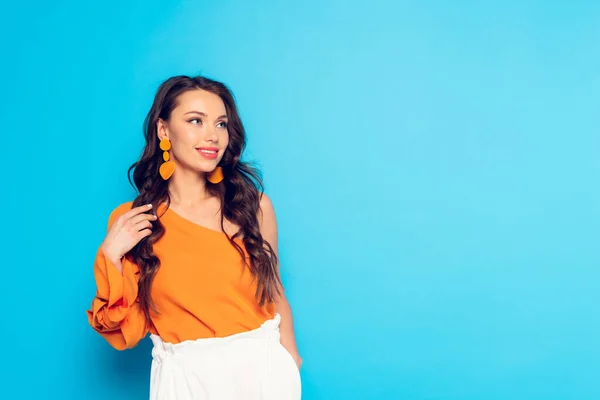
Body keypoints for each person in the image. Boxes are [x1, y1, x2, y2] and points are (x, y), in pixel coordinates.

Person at [86, 75, 302, 399]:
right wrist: (111, 257)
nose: (212, 136)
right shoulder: (134, 221)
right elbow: (125, 332)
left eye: (220, 124)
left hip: (263, 375)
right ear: (163, 130)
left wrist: (291, 358)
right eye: (195, 121)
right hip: (184, 380)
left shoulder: (253, 206)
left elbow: (274, 288)